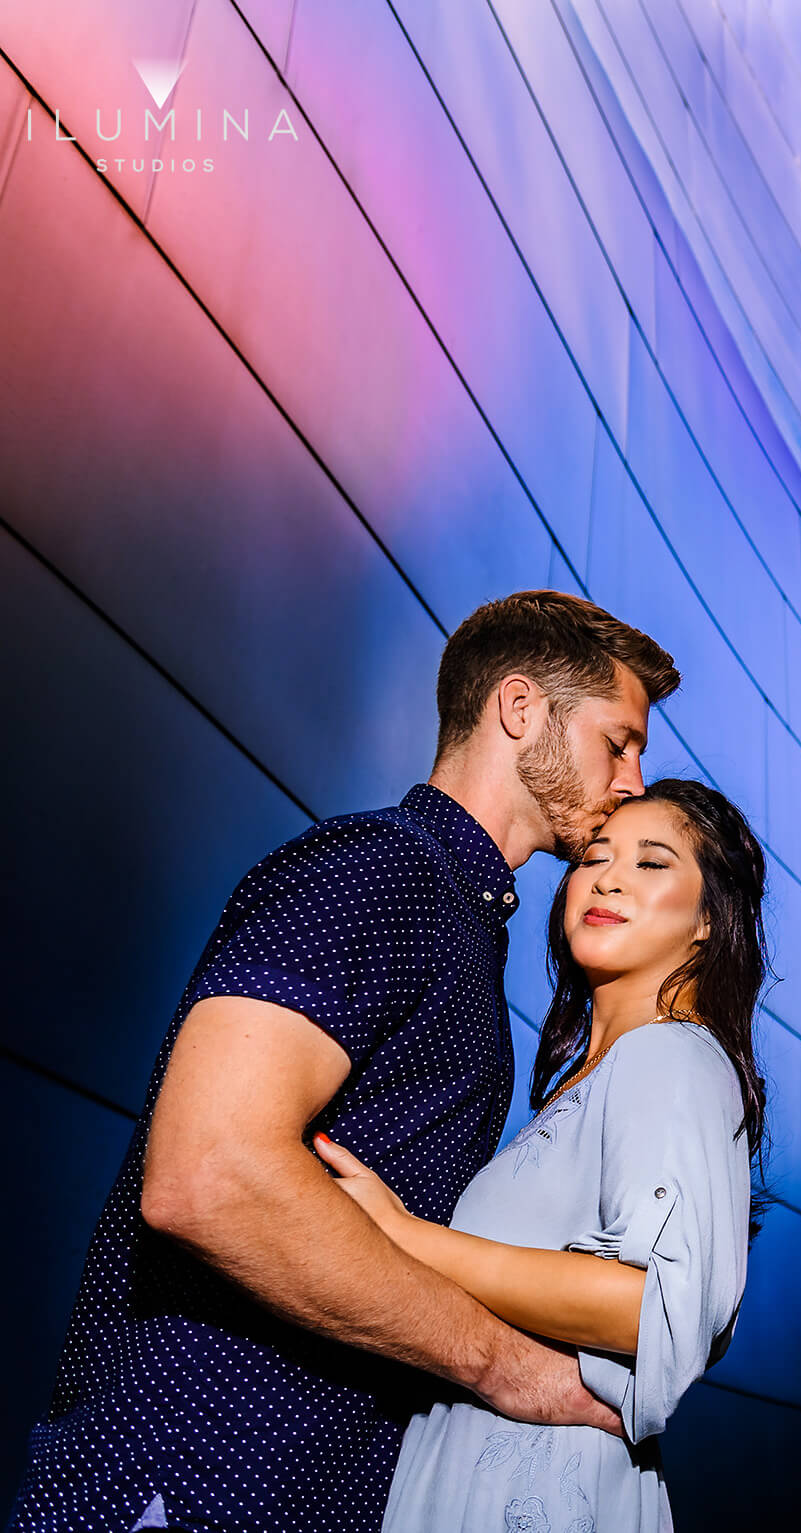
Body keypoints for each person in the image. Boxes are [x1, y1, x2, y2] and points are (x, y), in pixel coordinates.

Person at [12, 591, 680, 1533]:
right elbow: (210, 1175)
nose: (633, 778)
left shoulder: (461, 924)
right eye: (619, 742)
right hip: (191, 1481)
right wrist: (507, 1367)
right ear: (520, 709)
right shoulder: (383, 869)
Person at [316, 779, 769, 1532]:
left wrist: (403, 1237)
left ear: (707, 923)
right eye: (595, 856)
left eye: (653, 864)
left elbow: (653, 1307)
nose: (609, 876)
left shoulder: (672, 1057)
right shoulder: (588, 1084)